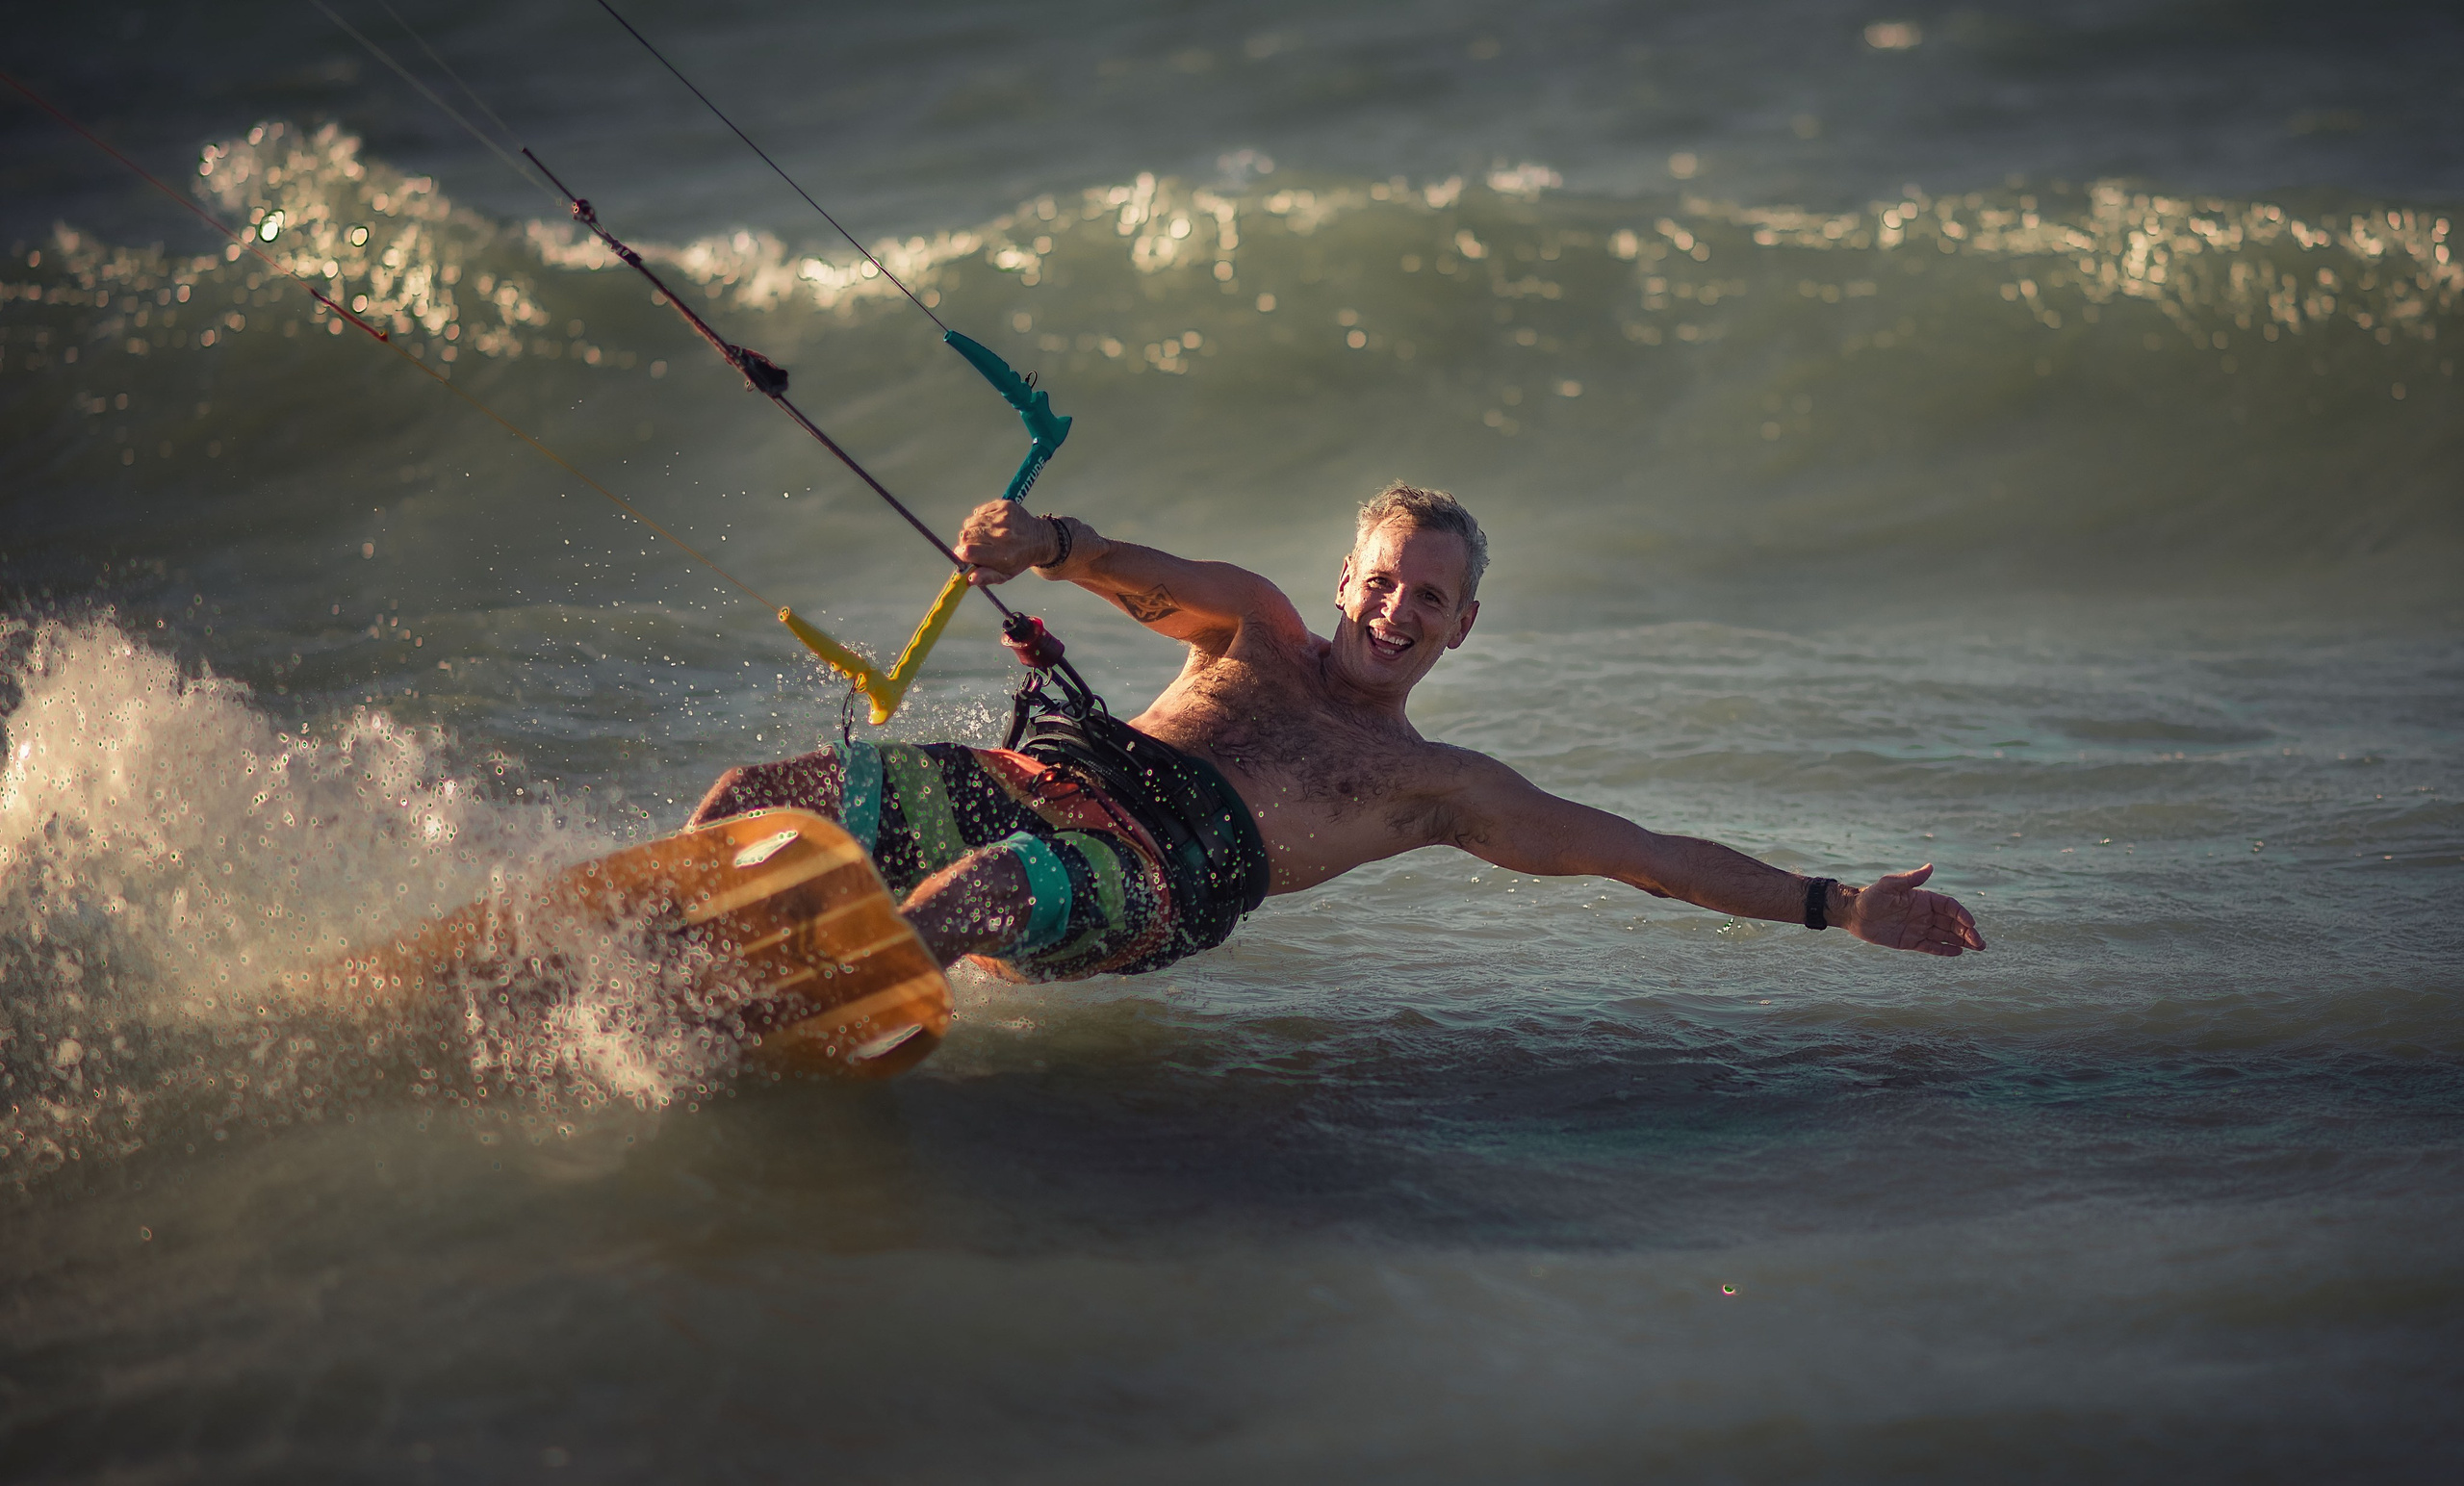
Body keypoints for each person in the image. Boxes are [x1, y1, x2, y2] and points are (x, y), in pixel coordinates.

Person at [687, 483, 1986, 978]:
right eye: (1382, 580)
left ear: (1462, 626)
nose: (1396, 609)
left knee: (977, 891)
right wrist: (1039, 541)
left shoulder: (1436, 786)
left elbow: (1640, 851)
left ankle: (775, 1016)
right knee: (768, 790)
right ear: (1346, 578)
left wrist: (1837, 905)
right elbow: (1112, 562)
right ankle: (648, 938)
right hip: (1048, 781)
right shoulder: (1250, 624)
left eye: (1430, 596)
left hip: (1153, 879)